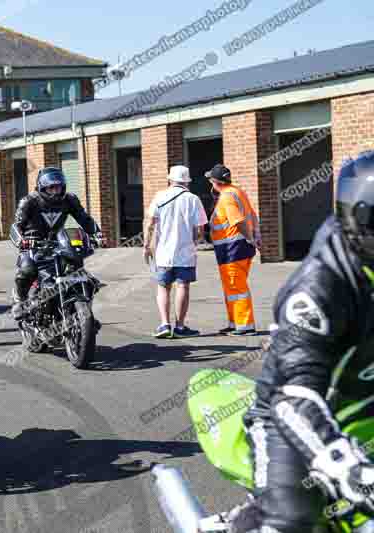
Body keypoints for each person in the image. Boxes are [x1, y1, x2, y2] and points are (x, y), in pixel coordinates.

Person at [226, 151, 374, 533]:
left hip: (364, 400)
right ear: (362, 221)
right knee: (293, 521)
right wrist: (345, 465)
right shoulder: (318, 287)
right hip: (290, 412)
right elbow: (293, 395)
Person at [11, 167, 107, 319]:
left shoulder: (69, 199)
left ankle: (82, 313)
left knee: (80, 273)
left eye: (59, 187)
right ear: (42, 187)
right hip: (33, 244)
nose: (56, 191)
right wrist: (21, 241)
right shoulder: (29, 201)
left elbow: (84, 218)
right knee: (28, 269)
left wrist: (97, 234)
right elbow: (16, 225)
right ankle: (19, 299)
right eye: (52, 187)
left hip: (59, 243)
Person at [144, 166, 208, 338]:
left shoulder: (160, 196)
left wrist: (146, 246)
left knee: (163, 287)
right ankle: (180, 327)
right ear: (187, 181)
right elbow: (200, 230)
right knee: (183, 286)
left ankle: (164, 324)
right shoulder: (193, 199)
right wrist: (195, 241)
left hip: (163, 252)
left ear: (170, 179)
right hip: (186, 253)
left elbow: (150, 223)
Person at [206, 164, 261, 336]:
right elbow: (252, 215)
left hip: (232, 249)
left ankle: (245, 326)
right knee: (232, 287)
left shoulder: (227, 196)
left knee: (236, 288)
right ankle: (234, 323)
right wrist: (255, 236)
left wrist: (250, 238)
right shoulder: (237, 192)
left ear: (215, 181)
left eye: (210, 179)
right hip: (235, 248)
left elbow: (237, 221)